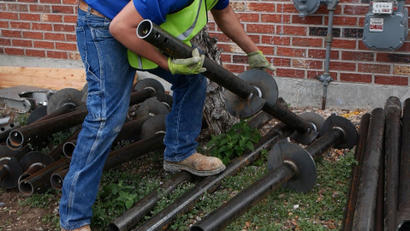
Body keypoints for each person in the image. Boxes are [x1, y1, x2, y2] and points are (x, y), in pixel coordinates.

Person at [59, 0, 275, 230]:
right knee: (106, 117)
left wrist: (253, 51)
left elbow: (224, 12)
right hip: (103, 23)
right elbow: (120, 27)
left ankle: (179, 153)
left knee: (192, 77)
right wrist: (168, 64)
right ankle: (74, 218)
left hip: (136, 20)